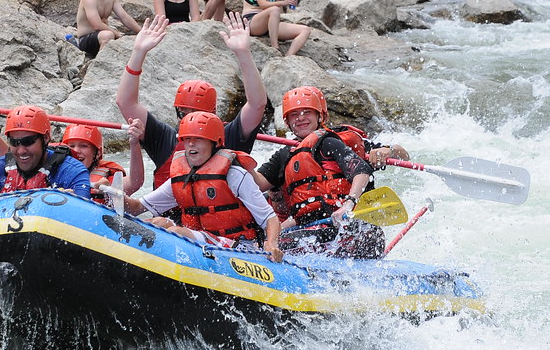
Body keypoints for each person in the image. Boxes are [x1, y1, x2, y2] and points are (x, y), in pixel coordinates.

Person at [254, 86, 409, 258]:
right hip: (308, 227)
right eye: (294, 114)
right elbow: (256, 184)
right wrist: (238, 159)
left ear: (321, 116)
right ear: (287, 122)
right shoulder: (285, 155)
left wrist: (389, 150)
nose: (301, 118)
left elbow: (396, 157)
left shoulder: (335, 142)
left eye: (307, 112)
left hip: (346, 222)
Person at [116, 14, 268, 189]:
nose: (189, 120)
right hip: (168, 216)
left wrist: (244, 54)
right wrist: (138, 52)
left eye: (196, 114)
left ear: (212, 115)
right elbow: (125, 102)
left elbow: (257, 104)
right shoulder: (166, 138)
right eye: (184, 113)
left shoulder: (228, 137)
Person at [122, 112, 282, 262]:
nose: (191, 144)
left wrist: (272, 244)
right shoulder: (180, 178)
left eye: (199, 139)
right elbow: (135, 208)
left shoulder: (234, 175)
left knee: (176, 233)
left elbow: (270, 219)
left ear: (215, 142)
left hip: (240, 246)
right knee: (157, 223)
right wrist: (113, 193)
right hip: (202, 240)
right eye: (187, 138)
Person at [0, 101, 144, 206]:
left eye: (83, 146)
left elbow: (136, 182)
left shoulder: (96, 176)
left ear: (97, 153)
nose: (76, 151)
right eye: (71, 145)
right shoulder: (56, 167)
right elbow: (12, 157)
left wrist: (134, 143)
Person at [74, 0, 143, 59]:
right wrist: (118, 35)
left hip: (102, 37)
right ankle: (98, 66)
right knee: (108, 35)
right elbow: (97, 25)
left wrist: (142, 32)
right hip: (86, 40)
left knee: (132, 39)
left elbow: (124, 17)